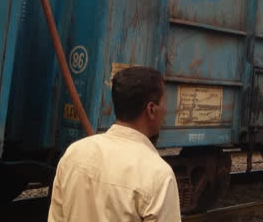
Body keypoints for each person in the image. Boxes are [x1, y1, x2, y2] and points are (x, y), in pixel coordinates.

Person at [48, 66, 181, 222]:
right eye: (164, 103)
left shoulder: (74, 153)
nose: (166, 110)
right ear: (151, 110)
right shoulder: (158, 175)